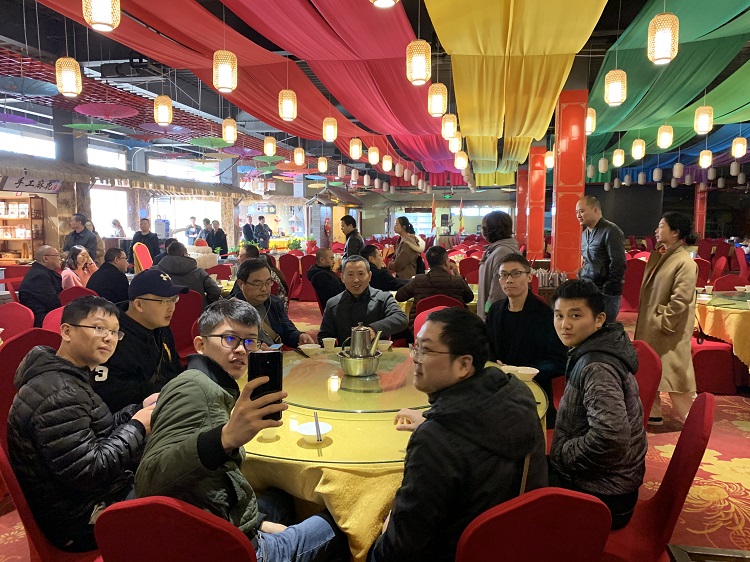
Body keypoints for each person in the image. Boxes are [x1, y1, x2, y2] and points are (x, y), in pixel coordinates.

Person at [135, 299, 349, 561]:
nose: (241, 350)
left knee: (285, 497)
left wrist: (259, 522)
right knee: (343, 522)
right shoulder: (193, 389)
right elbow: (148, 480)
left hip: (221, 517)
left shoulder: (213, 385)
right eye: (229, 339)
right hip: (223, 547)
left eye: (249, 342)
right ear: (200, 344)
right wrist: (224, 439)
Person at [369, 307, 546, 562]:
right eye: (415, 347)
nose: (415, 358)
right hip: (509, 543)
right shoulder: (515, 395)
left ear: (463, 365)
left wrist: (383, 533)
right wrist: (435, 421)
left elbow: (400, 549)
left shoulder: (433, 441)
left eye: (426, 350)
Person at [7, 296, 155, 551]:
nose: (109, 338)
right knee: (181, 486)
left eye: (115, 332)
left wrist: (138, 409)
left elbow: (95, 431)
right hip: (81, 518)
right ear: (66, 331)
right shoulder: (58, 393)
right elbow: (89, 471)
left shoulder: (64, 376)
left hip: (83, 498)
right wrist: (137, 427)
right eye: (99, 328)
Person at [549, 279, 647, 530]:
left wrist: (563, 454)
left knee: (510, 481)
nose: (565, 324)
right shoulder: (597, 347)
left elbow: (611, 437)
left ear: (599, 319)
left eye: (575, 315)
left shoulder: (597, 366)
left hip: (605, 497)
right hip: (609, 480)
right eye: (559, 315)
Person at [486, 253, 567, 426]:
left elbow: (560, 361)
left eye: (516, 274)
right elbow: (488, 348)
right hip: (498, 389)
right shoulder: (495, 310)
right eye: (504, 275)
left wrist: (523, 371)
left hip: (533, 391)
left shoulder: (545, 315)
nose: (509, 280)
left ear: (529, 277)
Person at [91, 269, 187, 413]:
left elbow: (174, 365)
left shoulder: (160, 326)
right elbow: (112, 393)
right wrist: (167, 391)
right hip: (133, 415)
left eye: (174, 299)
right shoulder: (111, 335)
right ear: (139, 305)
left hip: (168, 402)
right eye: (164, 301)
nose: (171, 307)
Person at [635, 212, 699, 425]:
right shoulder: (663, 256)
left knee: (675, 375)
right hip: (653, 324)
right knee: (650, 367)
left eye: (662, 226)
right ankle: (653, 413)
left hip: (668, 329)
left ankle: (694, 421)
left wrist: (665, 322)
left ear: (675, 232)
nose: (656, 230)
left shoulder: (684, 262)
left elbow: (680, 299)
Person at [318, 256, 408, 345]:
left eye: (361, 274)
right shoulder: (333, 304)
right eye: (350, 275)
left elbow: (401, 318)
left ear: (369, 276)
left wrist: (373, 329)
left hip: (377, 352)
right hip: (346, 353)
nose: (356, 280)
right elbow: (324, 336)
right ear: (342, 278)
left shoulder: (383, 298)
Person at [235, 258, 315, 348]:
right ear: (241, 284)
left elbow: (286, 329)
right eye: (257, 284)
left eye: (268, 282)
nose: (264, 289)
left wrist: (299, 336)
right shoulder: (230, 310)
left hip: (274, 353)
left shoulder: (274, 303)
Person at [395, 245, 473, 330]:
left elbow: (399, 297)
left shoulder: (419, 280)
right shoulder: (457, 281)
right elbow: (469, 298)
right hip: (453, 327)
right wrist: (457, 274)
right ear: (446, 262)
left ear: (428, 264)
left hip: (422, 327)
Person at [576, 196, 627, 324]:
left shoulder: (611, 230)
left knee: (605, 329)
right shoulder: (585, 234)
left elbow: (618, 263)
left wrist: (608, 288)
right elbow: (588, 261)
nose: (578, 215)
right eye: (576, 212)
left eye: (582, 211)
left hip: (606, 292)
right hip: (588, 289)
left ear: (595, 210)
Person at [477, 210, 519, 320]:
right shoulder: (497, 250)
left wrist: (488, 313)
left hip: (495, 318)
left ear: (489, 230)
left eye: (483, 228)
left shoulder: (502, 252)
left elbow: (497, 293)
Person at [155, 242, 221, 307]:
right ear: (185, 254)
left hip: (165, 312)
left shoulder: (156, 272)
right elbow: (215, 291)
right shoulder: (199, 272)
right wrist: (206, 304)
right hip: (197, 312)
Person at [18, 245, 63, 327]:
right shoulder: (38, 276)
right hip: (41, 318)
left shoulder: (44, 272)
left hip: (48, 312)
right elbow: (53, 303)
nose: (61, 259)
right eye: (57, 255)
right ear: (45, 258)